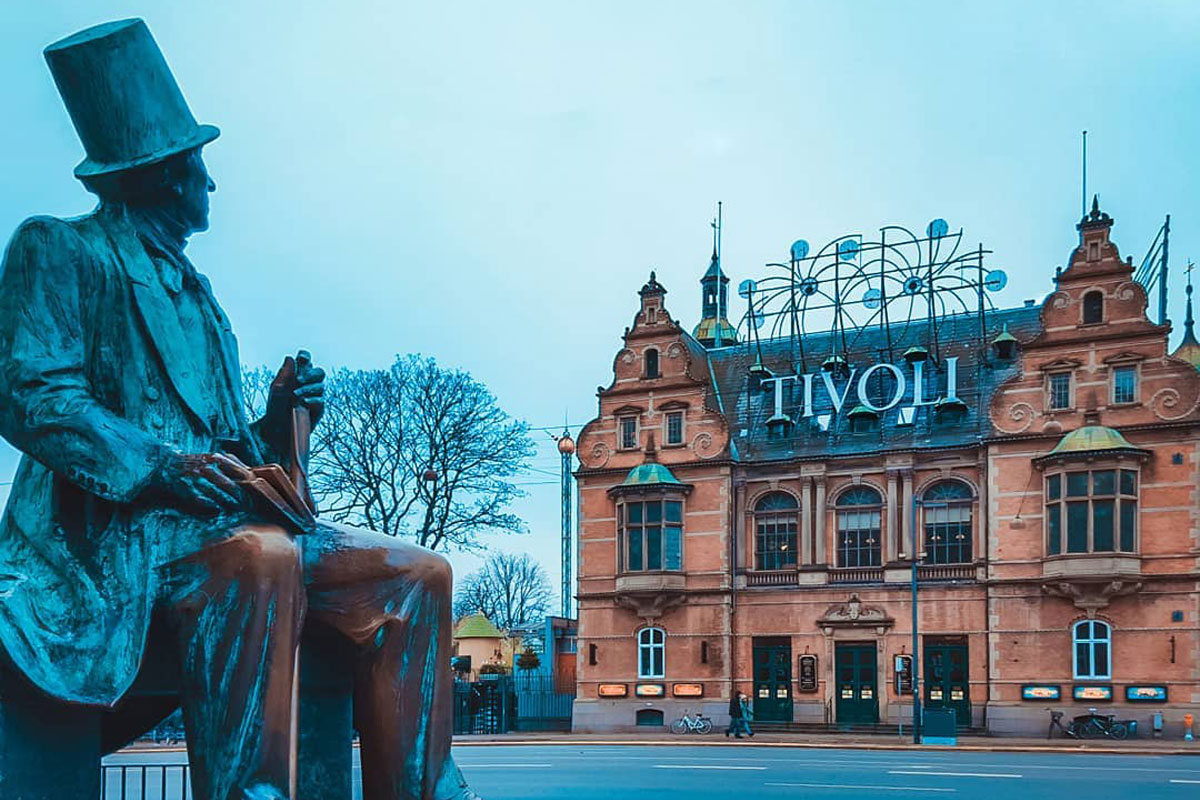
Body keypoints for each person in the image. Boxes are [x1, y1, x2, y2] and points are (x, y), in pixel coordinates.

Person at [0, 19, 479, 800]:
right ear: (160, 173)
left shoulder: (199, 295)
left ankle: (426, 789)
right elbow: (32, 397)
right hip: (117, 540)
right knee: (263, 557)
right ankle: (252, 793)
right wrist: (164, 470)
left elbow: (221, 443)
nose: (210, 183)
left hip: (211, 522)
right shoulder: (60, 249)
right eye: (198, 164)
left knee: (419, 574)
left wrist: (278, 420)